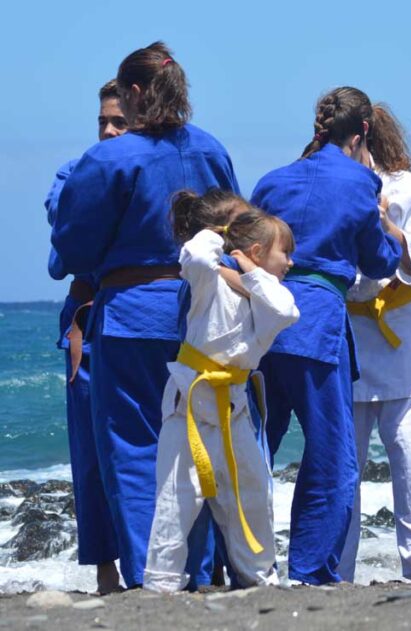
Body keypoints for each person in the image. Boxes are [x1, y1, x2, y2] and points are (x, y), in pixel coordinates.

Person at [50, 42, 240, 588]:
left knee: (135, 452)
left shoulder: (108, 159)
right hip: (199, 312)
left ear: (134, 95)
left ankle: (151, 580)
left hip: (131, 315)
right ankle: (200, 575)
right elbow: (235, 229)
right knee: (197, 445)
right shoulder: (211, 150)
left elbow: (72, 250)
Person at [251, 87, 402, 585]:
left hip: (264, 322)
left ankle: (236, 561)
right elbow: (379, 260)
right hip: (317, 322)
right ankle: (312, 568)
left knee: (255, 448)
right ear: (362, 131)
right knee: (331, 455)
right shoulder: (360, 181)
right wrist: (389, 226)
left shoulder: (273, 181)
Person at [144, 190, 298, 592]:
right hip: (190, 405)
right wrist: (217, 233)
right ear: (256, 247)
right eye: (285, 253)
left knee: (252, 495)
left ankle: (259, 577)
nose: (291, 262)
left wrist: (249, 272)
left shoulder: (262, 298)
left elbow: (286, 310)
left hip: (234, 408)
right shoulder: (207, 282)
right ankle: (161, 582)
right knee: (176, 499)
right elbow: (194, 255)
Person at [337, 104, 411, 583]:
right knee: (341, 457)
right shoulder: (325, 186)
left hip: (399, 329)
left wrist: (389, 228)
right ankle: (333, 566)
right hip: (346, 330)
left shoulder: (410, 189)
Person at [43, 79, 127, 594]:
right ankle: (105, 570)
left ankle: (167, 565)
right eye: (104, 122)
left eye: (120, 121)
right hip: (89, 323)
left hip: (142, 315)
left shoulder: (159, 169)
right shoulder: (73, 174)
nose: (110, 130)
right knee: (92, 453)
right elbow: (63, 254)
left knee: (155, 446)